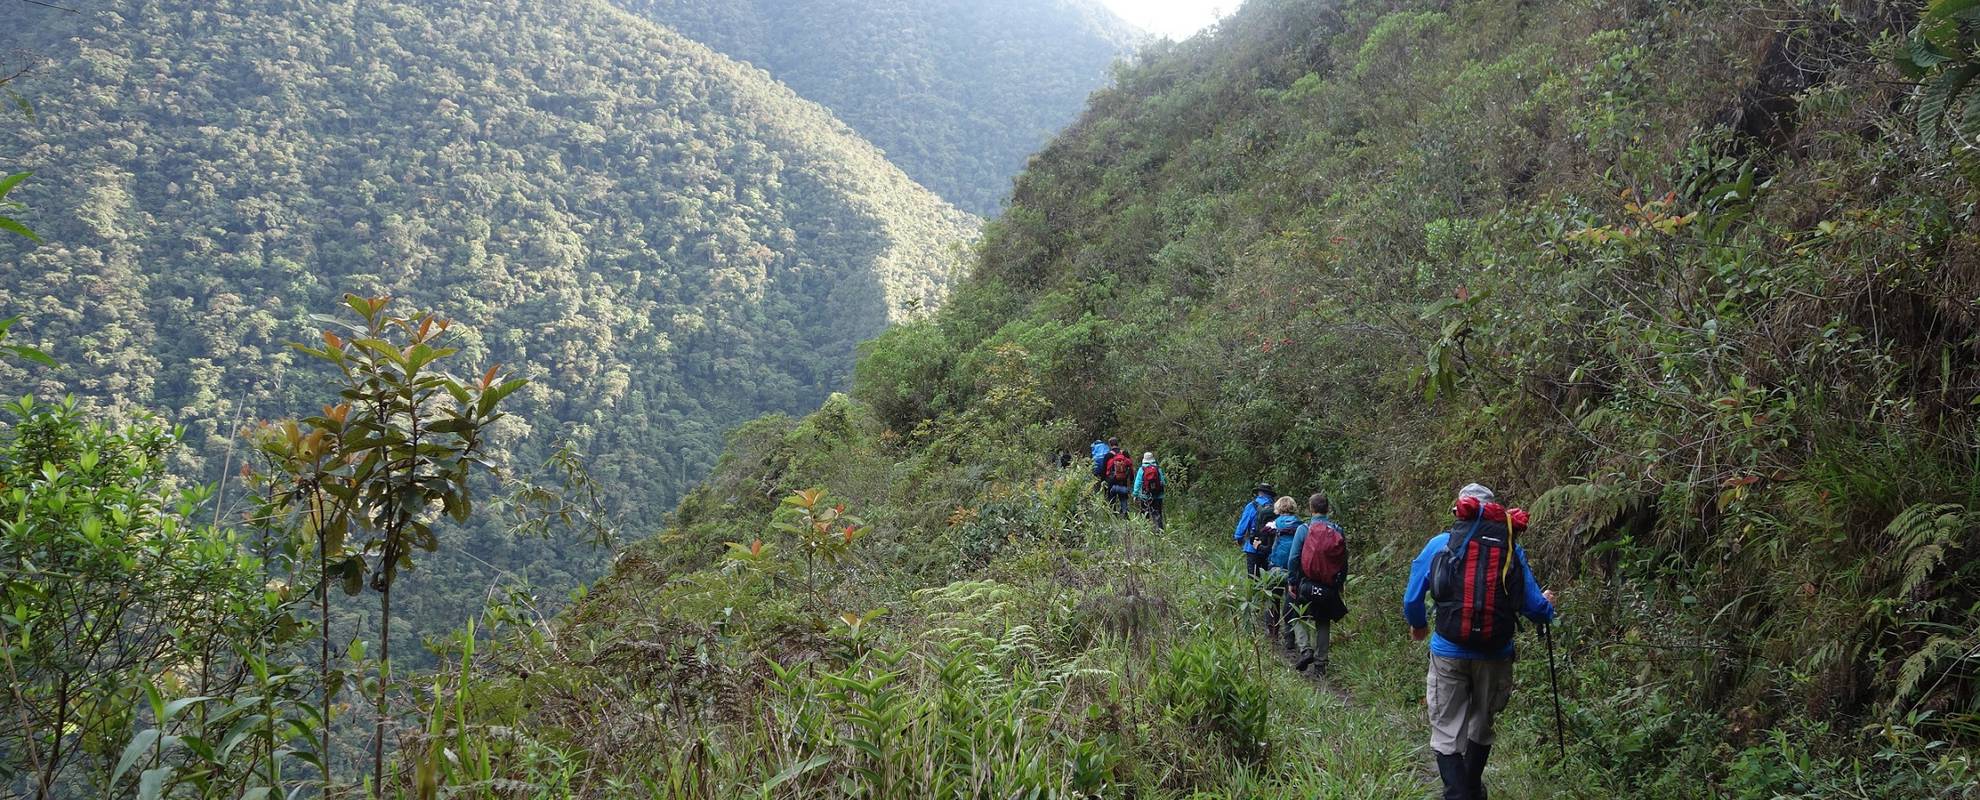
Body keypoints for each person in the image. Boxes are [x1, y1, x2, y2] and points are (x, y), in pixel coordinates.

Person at [1403, 483, 1557, 800]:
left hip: (1448, 650)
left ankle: (1459, 794)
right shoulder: (1510, 548)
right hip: (1496, 653)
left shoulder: (1439, 544)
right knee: (1481, 724)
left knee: (1446, 729)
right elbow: (1534, 607)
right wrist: (1547, 604)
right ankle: (1472, 788)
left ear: (1459, 510)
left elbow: (1411, 599)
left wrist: (1418, 626)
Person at [1285, 492, 1346, 676]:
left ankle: (1305, 649)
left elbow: (1294, 557)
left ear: (1311, 509)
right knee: (1323, 621)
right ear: (1327, 508)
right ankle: (1320, 664)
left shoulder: (1304, 529)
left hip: (1306, 583)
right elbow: (1343, 560)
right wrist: (1340, 583)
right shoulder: (1337, 530)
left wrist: (1292, 581)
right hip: (1328, 585)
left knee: (1295, 614)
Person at [1262, 495, 1303, 649]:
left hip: (1275, 567)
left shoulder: (1274, 524)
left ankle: (1272, 634)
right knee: (1291, 604)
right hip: (1294, 570)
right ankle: (1289, 639)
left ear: (1278, 508)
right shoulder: (1301, 525)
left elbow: (1263, 531)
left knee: (1272, 600)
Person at [1233, 483, 1277, 578]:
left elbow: (1244, 522)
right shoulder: (1276, 507)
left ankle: (1253, 592)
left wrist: (1238, 537)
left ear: (1259, 493)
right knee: (1267, 577)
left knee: (1253, 577)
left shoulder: (1252, 505)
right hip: (1269, 546)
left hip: (1253, 545)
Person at [1131, 452, 1168, 529]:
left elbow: (1137, 483)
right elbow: (1164, 482)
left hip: (1145, 496)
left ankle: (1145, 530)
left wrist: (1135, 494)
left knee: (1145, 514)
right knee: (1157, 514)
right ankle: (1159, 532)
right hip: (1158, 496)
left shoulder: (1142, 469)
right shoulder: (1158, 469)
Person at [1102, 444, 1135, 516]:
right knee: (1123, 499)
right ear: (1117, 444)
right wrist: (1132, 480)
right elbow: (1131, 467)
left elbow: (1104, 470)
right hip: (1123, 482)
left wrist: (1103, 482)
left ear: (1110, 444)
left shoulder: (1108, 455)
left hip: (1111, 483)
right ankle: (1125, 515)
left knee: (1111, 501)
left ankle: (1113, 516)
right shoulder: (1124, 453)